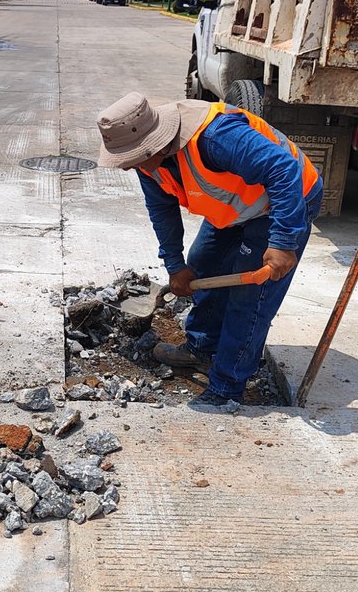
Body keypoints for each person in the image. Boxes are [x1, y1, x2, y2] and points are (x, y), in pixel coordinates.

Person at [96, 91, 323, 411]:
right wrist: (175, 265)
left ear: (155, 144)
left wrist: (284, 241)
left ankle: (227, 386)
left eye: (129, 158)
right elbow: (162, 210)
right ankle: (202, 349)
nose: (124, 167)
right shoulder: (147, 165)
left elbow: (284, 170)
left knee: (250, 298)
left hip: (284, 201)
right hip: (234, 208)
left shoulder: (216, 137)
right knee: (201, 265)